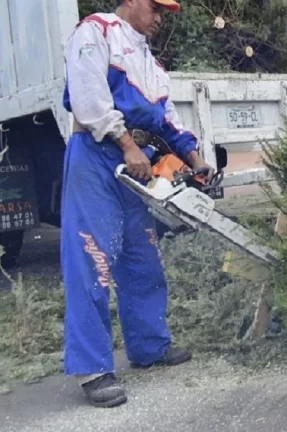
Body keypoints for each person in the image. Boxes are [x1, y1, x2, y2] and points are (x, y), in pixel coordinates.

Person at [61, 0, 212, 408]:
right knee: (92, 260)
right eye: (154, 8)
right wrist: (126, 143)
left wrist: (195, 159)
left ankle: (148, 345)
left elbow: (168, 120)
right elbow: (89, 99)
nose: (159, 18)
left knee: (141, 256)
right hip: (97, 157)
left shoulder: (152, 63)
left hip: (137, 166)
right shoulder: (96, 32)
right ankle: (92, 369)